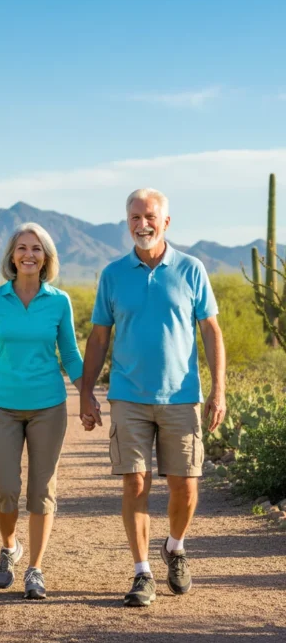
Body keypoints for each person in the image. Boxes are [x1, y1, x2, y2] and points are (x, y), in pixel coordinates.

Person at [80, 188, 226, 607]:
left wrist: (218, 391)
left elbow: (211, 332)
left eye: (149, 216)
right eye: (134, 217)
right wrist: (86, 392)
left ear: (165, 222)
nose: (141, 224)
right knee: (135, 481)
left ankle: (175, 547)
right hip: (128, 395)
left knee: (186, 488)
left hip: (182, 396)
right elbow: (99, 336)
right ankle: (142, 572)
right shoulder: (112, 274)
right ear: (126, 223)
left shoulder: (192, 269)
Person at [0, 222, 87, 600]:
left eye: (36, 248)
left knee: (41, 489)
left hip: (48, 405)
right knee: (4, 486)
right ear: (11, 256)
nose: (29, 254)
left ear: (46, 257)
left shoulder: (59, 301)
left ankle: (35, 568)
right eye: (22, 248)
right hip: (1, 404)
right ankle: (9, 546)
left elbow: (69, 353)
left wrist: (90, 397)